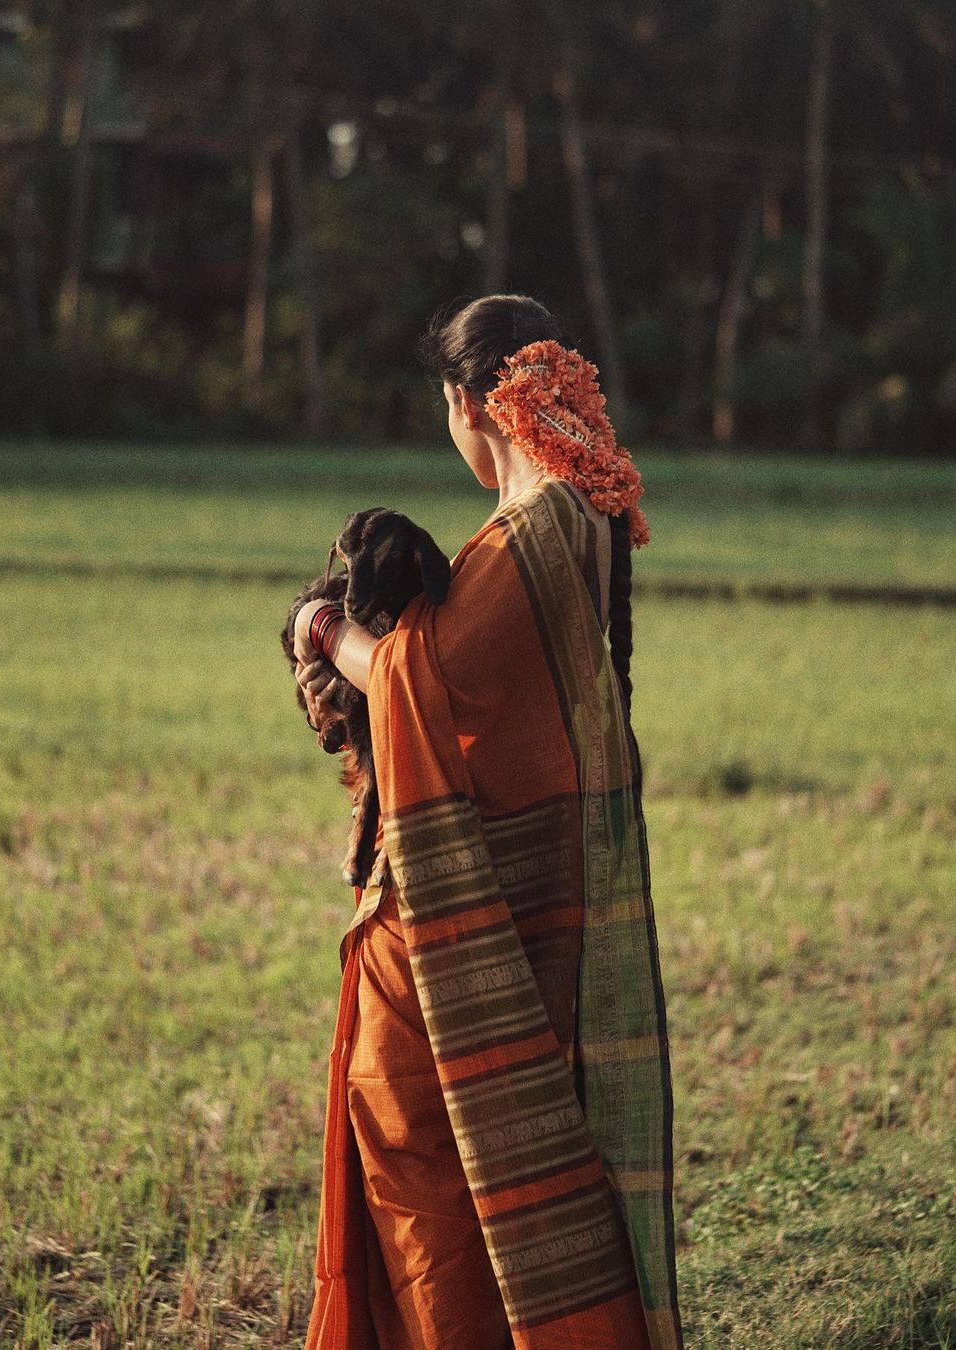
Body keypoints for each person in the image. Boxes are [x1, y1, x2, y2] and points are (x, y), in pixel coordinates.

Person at [292, 294, 683, 1350]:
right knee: (524, 1185)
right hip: (529, 908)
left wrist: (321, 628)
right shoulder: (582, 516)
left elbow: (422, 683)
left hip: (457, 936)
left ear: (468, 401)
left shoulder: (539, 525)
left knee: (437, 1199)